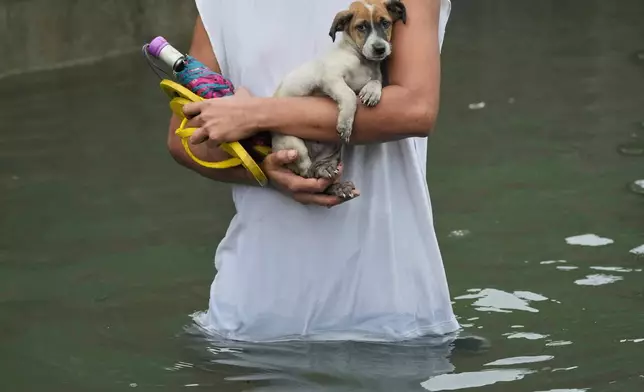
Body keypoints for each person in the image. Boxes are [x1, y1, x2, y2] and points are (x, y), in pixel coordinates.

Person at [167, 0, 460, 343]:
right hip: (256, 319)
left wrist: (260, 114)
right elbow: (184, 137)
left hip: (385, 315)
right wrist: (266, 170)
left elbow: (415, 109)